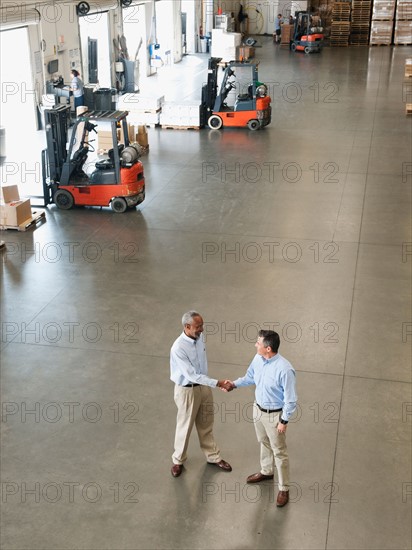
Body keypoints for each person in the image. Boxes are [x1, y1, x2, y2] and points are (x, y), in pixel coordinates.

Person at [224, 330, 297, 507]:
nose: (255, 345)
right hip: (258, 410)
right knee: (263, 442)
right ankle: (266, 471)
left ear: (268, 348)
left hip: (274, 416)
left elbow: (291, 399)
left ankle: (284, 488)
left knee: (279, 451)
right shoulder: (258, 359)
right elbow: (250, 377)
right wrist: (233, 384)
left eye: (258, 343)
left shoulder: (285, 370)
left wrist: (283, 421)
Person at [170, 311, 232, 478]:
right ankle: (178, 460)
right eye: (198, 327)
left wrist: (209, 383)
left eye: (202, 326)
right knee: (185, 426)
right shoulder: (178, 348)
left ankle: (213, 457)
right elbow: (190, 374)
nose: (202, 330)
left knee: (206, 423)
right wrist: (217, 382)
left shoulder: (199, 338)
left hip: (204, 387)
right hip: (187, 391)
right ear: (187, 327)